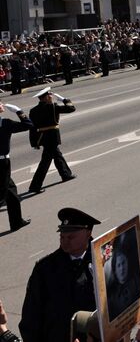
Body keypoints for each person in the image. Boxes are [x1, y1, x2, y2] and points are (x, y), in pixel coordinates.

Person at [20, 207, 100, 342]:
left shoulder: (103, 260)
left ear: (88, 233)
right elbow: (30, 317)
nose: (65, 241)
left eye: (71, 237)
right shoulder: (45, 268)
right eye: (62, 236)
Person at [27, 87, 76, 194]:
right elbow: (71, 108)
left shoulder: (33, 110)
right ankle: (35, 186)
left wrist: (34, 142)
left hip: (43, 137)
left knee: (57, 155)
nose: (52, 97)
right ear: (45, 97)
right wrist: (64, 100)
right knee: (45, 162)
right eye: (50, 95)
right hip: (52, 137)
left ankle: (65, 174)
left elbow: (32, 128)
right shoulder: (53, 107)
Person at [0, 100, 33, 231]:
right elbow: (28, 125)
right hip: (2, 164)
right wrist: (19, 111)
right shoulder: (5, 123)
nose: (2, 104)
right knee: (2, 195)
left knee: (11, 192)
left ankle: (16, 222)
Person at [105, 228, 140, 319]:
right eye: (118, 265)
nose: (122, 268)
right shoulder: (112, 298)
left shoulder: (136, 283)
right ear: (115, 270)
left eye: (123, 263)